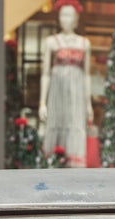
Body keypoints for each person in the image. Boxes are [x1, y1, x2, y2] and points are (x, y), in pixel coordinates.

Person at [38, 0, 92, 167]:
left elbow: (87, 75)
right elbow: (45, 73)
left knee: (75, 126)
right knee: (56, 124)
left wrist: (88, 103)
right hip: (57, 92)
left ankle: (75, 169)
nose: (65, 19)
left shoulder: (84, 43)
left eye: (69, 15)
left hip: (76, 93)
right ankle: (53, 164)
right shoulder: (51, 42)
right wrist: (42, 102)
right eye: (62, 14)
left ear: (76, 18)